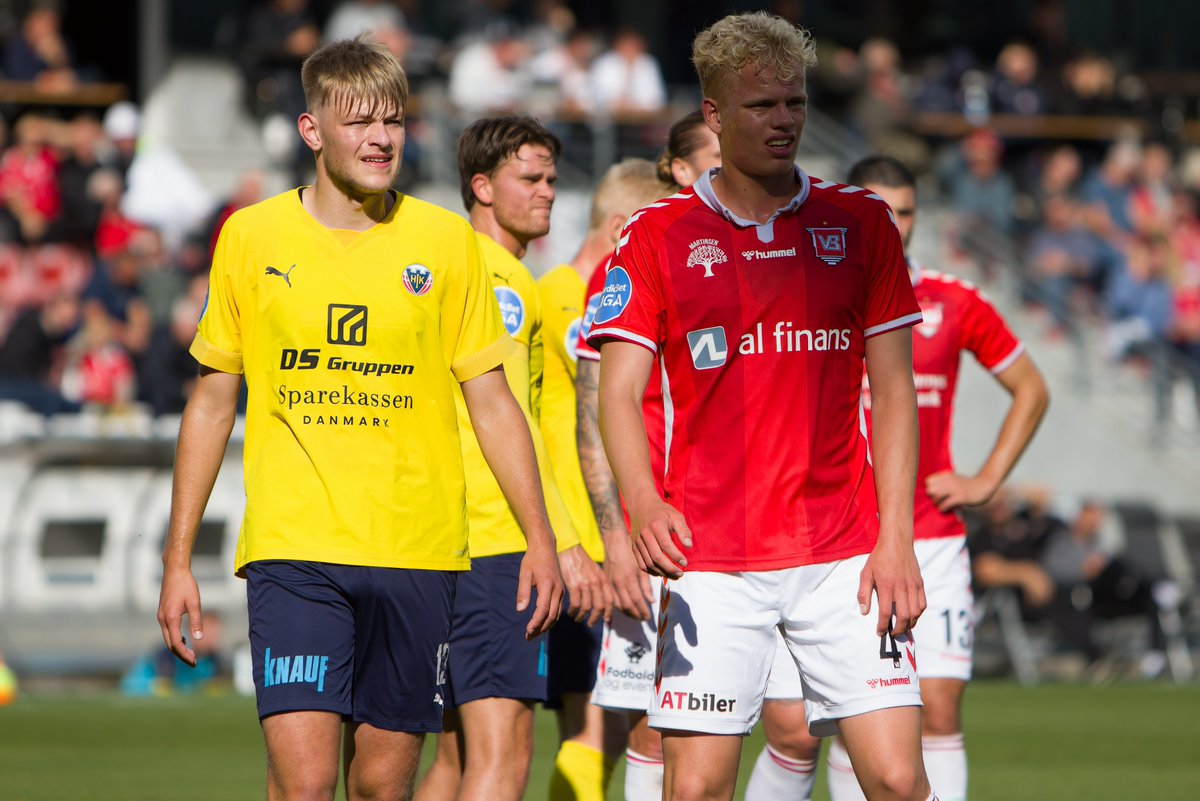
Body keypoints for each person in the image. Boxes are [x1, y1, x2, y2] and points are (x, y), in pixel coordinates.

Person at [157, 38, 564, 801]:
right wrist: (178, 558)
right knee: (307, 781)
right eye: (360, 122)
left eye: (395, 121)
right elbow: (212, 399)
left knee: (383, 785)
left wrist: (538, 536)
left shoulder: (446, 242)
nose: (381, 138)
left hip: (419, 550)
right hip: (295, 548)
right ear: (313, 131)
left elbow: (492, 400)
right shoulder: (251, 236)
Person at [587, 12, 931, 801]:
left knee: (897, 777)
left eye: (795, 104)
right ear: (713, 114)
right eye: (761, 106)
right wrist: (641, 502)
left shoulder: (862, 222)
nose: (784, 122)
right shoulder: (654, 236)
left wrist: (898, 539)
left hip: (844, 551)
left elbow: (896, 392)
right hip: (712, 558)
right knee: (698, 787)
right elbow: (619, 389)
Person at [746, 155, 1050, 801]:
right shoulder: (800, 289)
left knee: (933, 712)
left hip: (928, 539)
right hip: (828, 536)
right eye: (880, 205)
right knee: (801, 729)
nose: (894, 221)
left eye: (906, 209)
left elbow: (1031, 388)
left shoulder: (952, 299)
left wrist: (986, 478)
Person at [413, 114, 607, 801]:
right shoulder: (500, 282)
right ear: (482, 187)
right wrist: (560, 539)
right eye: (530, 178)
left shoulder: (440, 269)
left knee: (455, 755)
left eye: (552, 177)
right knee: (505, 752)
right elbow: (513, 419)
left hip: (438, 537)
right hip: (496, 538)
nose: (548, 192)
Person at [576, 110, 720, 801]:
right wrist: (618, 532)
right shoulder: (635, 259)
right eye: (716, 156)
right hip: (658, 526)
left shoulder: (771, 248)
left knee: (788, 726)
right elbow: (595, 408)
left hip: (748, 527)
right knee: (655, 727)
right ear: (680, 170)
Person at [537, 157, 673, 801]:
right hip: (587, 543)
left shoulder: (577, 293)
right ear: (624, 225)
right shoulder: (575, 299)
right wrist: (579, 540)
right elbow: (560, 426)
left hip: (595, 536)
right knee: (599, 725)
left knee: (608, 727)